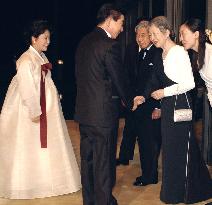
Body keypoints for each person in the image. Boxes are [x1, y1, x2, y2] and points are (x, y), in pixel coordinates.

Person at [0, 20, 81, 199]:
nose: (48, 42)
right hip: (30, 110)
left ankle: (48, 181)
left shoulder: (42, 57)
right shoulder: (26, 60)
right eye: (45, 38)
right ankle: (29, 183)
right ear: (34, 38)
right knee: (29, 144)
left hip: (48, 108)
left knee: (46, 144)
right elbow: (27, 87)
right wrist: (35, 110)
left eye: (49, 38)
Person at [140, 16, 212, 204]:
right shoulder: (160, 54)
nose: (152, 37)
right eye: (150, 34)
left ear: (165, 32)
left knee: (181, 151)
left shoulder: (180, 52)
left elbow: (189, 83)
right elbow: (154, 80)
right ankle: (176, 192)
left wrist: (164, 92)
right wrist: (144, 96)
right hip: (168, 106)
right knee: (172, 152)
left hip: (180, 106)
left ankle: (186, 192)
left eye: (154, 34)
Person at [75, 4, 140, 205]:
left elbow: (91, 78)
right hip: (102, 117)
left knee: (88, 163)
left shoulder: (84, 41)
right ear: (111, 19)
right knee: (104, 165)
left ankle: (91, 201)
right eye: (121, 23)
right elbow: (119, 79)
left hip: (84, 114)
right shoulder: (109, 45)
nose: (122, 29)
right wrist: (130, 101)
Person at [131, 20, 162, 186]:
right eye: (137, 35)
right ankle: (147, 174)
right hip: (140, 106)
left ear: (151, 36)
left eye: (143, 35)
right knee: (143, 142)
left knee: (151, 142)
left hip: (152, 106)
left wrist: (159, 106)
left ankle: (150, 176)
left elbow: (161, 81)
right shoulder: (139, 54)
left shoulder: (157, 54)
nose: (139, 39)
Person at [179, 18, 212, 164]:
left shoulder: (210, 53)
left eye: (183, 34)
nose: (181, 39)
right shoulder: (199, 56)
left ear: (196, 34)